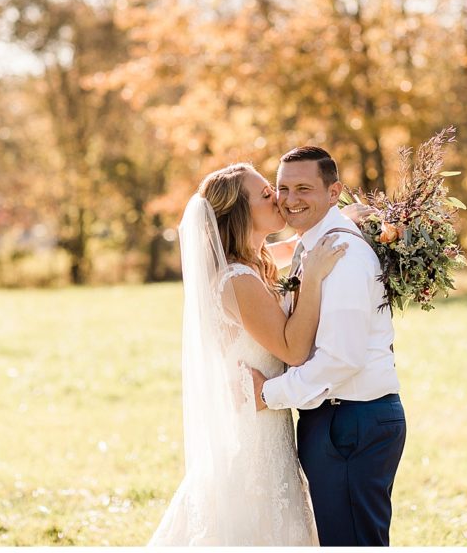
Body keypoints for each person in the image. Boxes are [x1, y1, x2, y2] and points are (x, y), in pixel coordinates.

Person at [149, 162, 353, 546]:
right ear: (241, 213)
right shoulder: (238, 280)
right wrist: (313, 277)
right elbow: (293, 350)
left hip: (268, 421)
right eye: (265, 194)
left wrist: (346, 218)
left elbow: (295, 246)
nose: (278, 197)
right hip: (252, 435)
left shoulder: (254, 264)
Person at [252, 146, 406, 547]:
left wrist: (268, 394)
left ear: (333, 191)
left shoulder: (344, 254)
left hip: (353, 421)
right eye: (282, 188)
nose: (289, 199)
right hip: (335, 419)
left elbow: (342, 359)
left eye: (304, 188)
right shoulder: (313, 245)